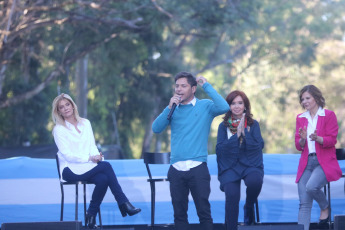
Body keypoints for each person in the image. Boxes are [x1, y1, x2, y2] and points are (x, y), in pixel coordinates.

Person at [152, 72, 229, 230]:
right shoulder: (172, 109)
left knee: (204, 212)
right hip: (176, 169)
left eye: (183, 86)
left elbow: (224, 107)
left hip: (198, 168)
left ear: (193, 88)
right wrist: (168, 108)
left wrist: (206, 85)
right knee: (179, 215)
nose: (179, 89)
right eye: (177, 86)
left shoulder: (205, 106)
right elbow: (156, 128)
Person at [52, 93, 141, 229]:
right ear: (58, 111)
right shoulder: (59, 129)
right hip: (70, 169)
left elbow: (92, 146)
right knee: (106, 166)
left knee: (103, 179)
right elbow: (68, 155)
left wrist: (96, 157)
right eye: (61, 107)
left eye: (67, 104)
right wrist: (90, 159)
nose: (65, 108)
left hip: (87, 166)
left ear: (72, 105)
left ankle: (91, 216)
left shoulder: (85, 123)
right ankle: (123, 202)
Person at [215, 90, 264, 230]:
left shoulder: (253, 124)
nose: (236, 106)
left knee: (255, 181)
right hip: (230, 166)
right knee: (232, 195)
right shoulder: (223, 126)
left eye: (240, 103)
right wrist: (236, 136)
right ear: (228, 106)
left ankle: (248, 206)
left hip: (250, 163)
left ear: (245, 105)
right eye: (233, 103)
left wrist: (245, 133)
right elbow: (220, 150)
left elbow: (259, 145)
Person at [295, 85, 341, 230]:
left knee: (311, 186)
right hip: (306, 162)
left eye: (307, 98)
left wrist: (317, 138)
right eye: (302, 99)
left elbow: (332, 140)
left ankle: (325, 207)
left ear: (316, 97)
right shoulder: (300, 118)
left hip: (324, 162)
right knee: (304, 203)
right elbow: (298, 145)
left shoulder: (328, 115)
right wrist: (303, 139)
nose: (304, 102)